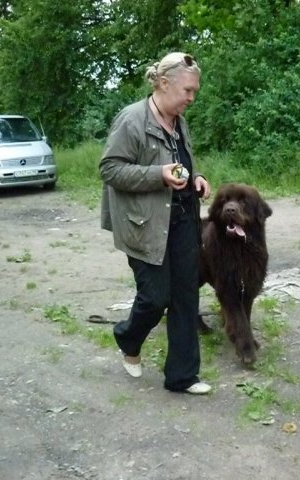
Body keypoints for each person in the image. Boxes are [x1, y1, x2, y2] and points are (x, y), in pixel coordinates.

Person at [99, 52, 212, 395]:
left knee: (185, 297)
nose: (192, 98)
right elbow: (110, 170)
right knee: (155, 297)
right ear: (164, 84)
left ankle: (182, 376)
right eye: (188, 91)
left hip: (181, 220)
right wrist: (158, 175)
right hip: (144, 224)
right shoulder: (132, 120)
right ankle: (127, 337)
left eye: (195, 92)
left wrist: (196, 179)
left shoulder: (179, 121)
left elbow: (180, 165)